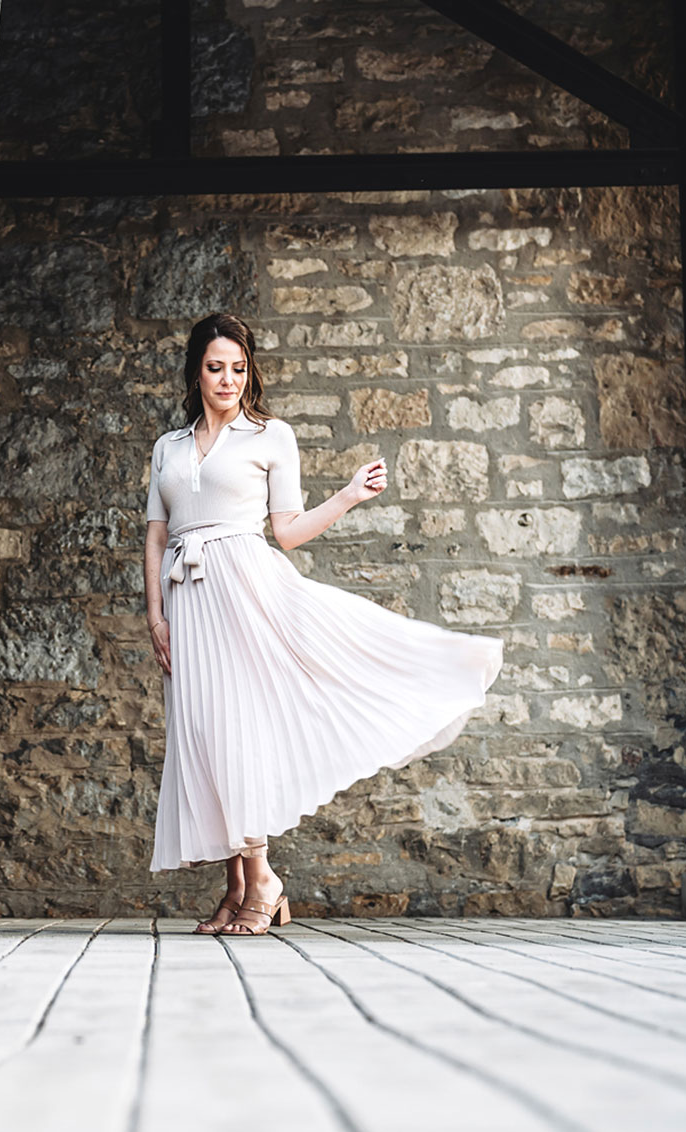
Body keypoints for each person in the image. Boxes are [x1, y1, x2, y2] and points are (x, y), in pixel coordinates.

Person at [144, 313, 502, 935]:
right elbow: (155, 535)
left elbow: (286, 531)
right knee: (202, 735)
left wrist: (346, 497)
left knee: (235, 733)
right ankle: (235, 886)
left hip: (246, 593)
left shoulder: (269, 436)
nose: (227, 379)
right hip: (187, 600)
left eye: (237, 367)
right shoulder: (169, 447)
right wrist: (154, 613)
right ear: (195, 371)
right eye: (214, 367)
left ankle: (263, 881)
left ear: (248, 372)